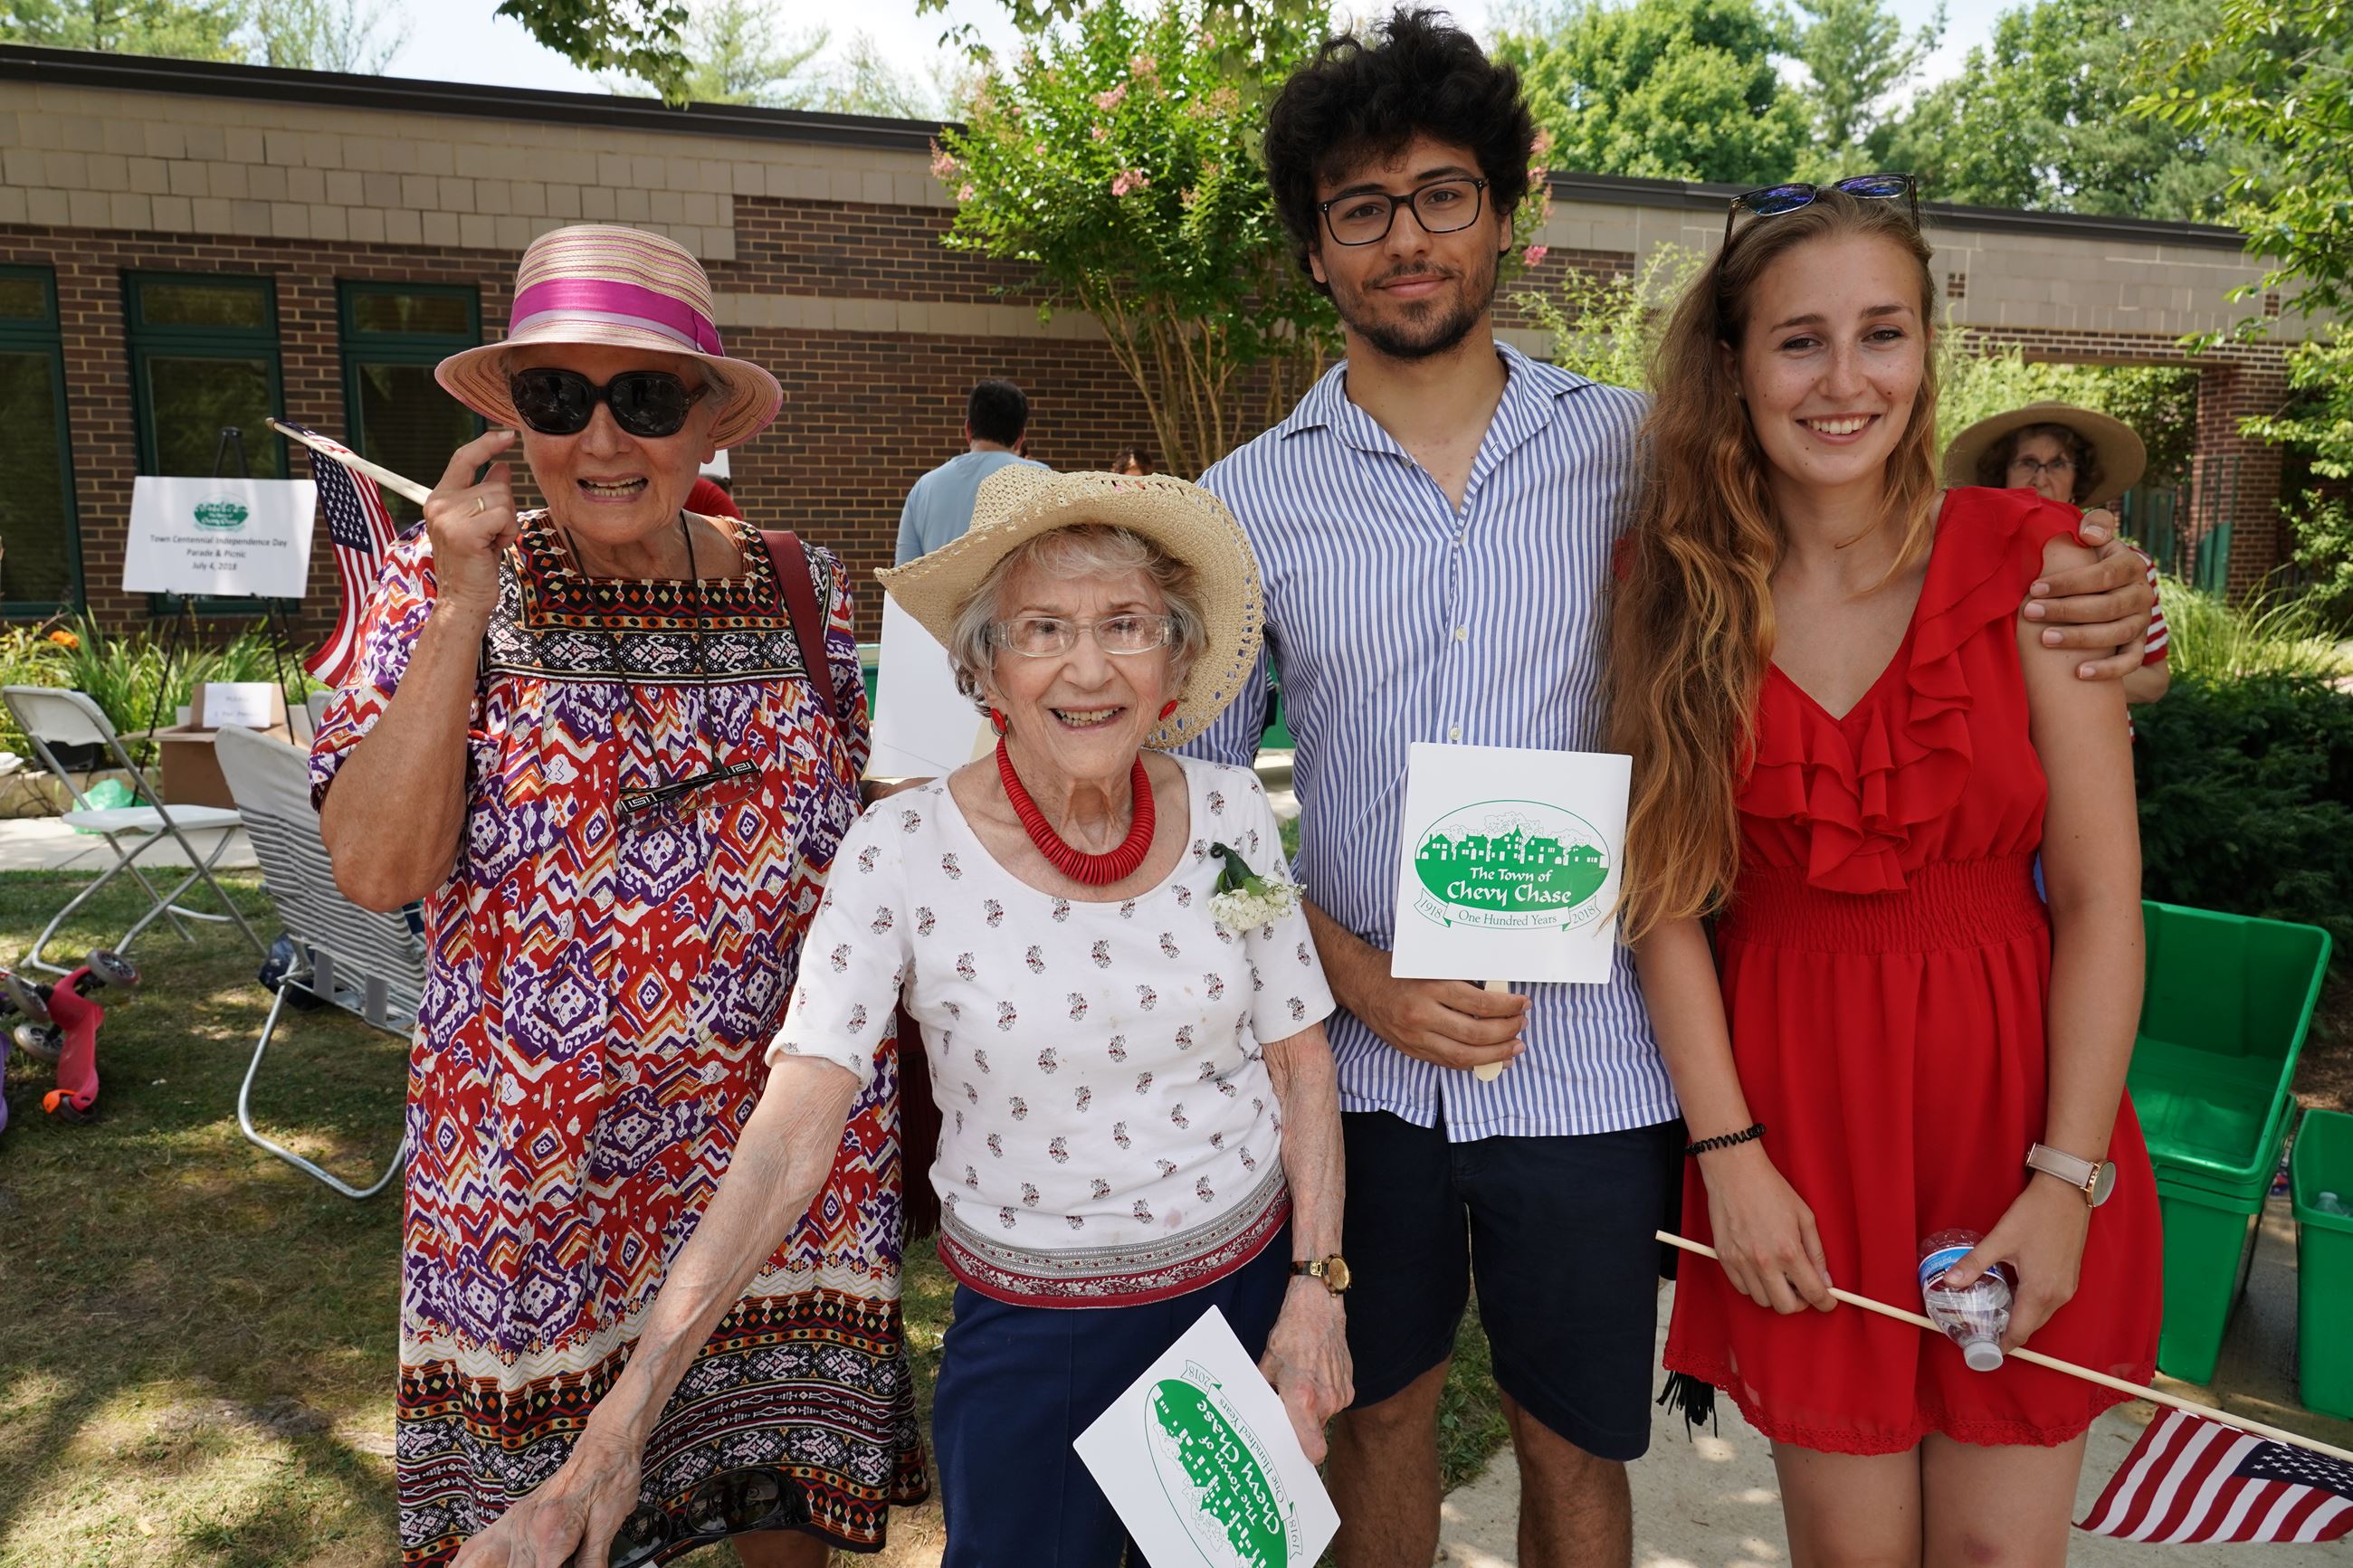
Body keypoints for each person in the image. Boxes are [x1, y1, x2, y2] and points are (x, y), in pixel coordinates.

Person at [1184, 13, 2158, 1567]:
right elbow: (1199, 829)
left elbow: (1885, 557)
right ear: (1315, 250)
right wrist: (1352, 971)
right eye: (1359, 210)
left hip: (1600, 1058)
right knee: (1379, 1418)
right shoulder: (1235, 508)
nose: (1406, 239)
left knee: (1580, 1433)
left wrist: (2119, 618)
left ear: (1509, 215)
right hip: (1361, 1071)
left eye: (1442, 194)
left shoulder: (1650, 463)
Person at [444, 463, 1354, 1568]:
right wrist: (618, 1424)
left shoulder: (1225, 820)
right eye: (1041, 628)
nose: (1087, 664)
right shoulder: (901, 853)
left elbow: (1300, 1058)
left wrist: (1313, 1291)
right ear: (985, 669)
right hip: (1035, 1339)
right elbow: (790, 1131)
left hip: (1244, 1294)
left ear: (1173, 660)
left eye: (1125, 624)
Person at [310, 224, 923, 1567]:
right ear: (511, 420)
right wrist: (466, 604)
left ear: (706, 419)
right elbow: (374, 871)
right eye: (556, 397)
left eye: (644, 398)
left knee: (780, 1497)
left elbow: (866, 835)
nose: (600, 439)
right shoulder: (435, 588)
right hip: (537, 1172)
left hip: (779, 1156)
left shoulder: (800, 587)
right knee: (539, 1530)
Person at [1612, 185, 2164, 1566]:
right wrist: (1729, 1160)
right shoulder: (1672, 583)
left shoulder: (2033, 564)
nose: (1845, 380)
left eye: (1883, 334)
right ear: (1735, 364)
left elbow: (2101, 898)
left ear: (1928, 354)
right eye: (1800, 341)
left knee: (1993, 1555)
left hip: (2017, 1097)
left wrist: (2066, 1178)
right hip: (1797, 1114)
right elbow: (1667, 899)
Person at [1947, 404, 2169, 704]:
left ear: (2080, 478)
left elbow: (2154, 682)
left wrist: (2061, 672)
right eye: (2027, 462)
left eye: (2058, 464)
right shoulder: (1965, 559)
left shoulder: (2126, 566)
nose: (2040, 479)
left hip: (2096, 738)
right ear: (2002, 473)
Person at [894, 378, 1046, 563]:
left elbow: (902, 580)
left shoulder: (923, 488)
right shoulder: (1044, 481)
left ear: (968, 429)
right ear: (1021, 437)